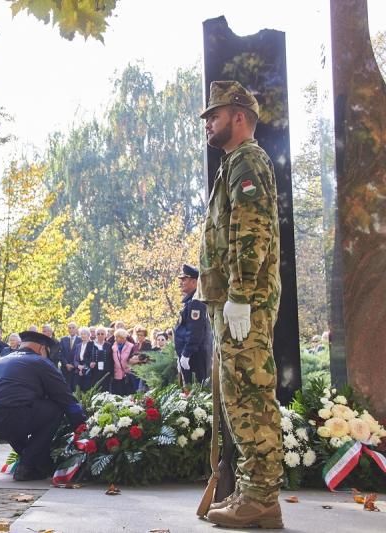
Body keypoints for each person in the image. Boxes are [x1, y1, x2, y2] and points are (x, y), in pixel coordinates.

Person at [198, 81, 283, 528]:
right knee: (239, 393)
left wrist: (241, 295)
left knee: (250, 393)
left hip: (242, 302)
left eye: (214, 115)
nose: (209, 122)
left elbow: (251, 230)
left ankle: (262, 496)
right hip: (232, 300)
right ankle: (253, 490)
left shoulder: (248, 159)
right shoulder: (235, 162)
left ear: (238, 116)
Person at [0, 330, 85, 481]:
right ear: (42, 349)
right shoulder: (41, 363)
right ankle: (27, 466)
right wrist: (80, 423)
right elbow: (65, 398)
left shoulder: (2, 360)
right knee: (54, 409)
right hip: (8, 418)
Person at [175, 264, 212, 384]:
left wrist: (186, 354)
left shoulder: (196, 302)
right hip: (191, 354)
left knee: (198, 392)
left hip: (195, 355)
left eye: (184, 279)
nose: (181, 283)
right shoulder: (190, 301)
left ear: (194, 282)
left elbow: (195, 331)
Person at [110, 328, 139, 395]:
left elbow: (133, 359)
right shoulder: (113, 347)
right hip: (116, 375)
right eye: (116, 337)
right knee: (117, 395)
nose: (116, 339)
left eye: (118, 337)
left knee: (128, 395)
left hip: (128, 375)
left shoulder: (131, 346)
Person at [58, 322, 81, 390]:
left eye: (73, 328)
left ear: (76, 329)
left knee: (75, 389)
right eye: (69, 328)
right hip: (65, 369)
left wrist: (73, 365)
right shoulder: (63, 339)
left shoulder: (80, 340)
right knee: (65, 389)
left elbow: (81, 355)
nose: (71, 329)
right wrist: (66, 364)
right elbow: (60, 354)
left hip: (76, 370)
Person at [73, 327, 93, 391]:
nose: (83, 335)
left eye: (85, 334)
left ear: (88, 335)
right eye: (81, 334)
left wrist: (83, 368)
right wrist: (78, 366)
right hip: (78, 370)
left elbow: (91, 359)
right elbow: (75, 359)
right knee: (77, 390)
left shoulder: (92, 345)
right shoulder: (78, 345)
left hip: (88, 371)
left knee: (86, 390)